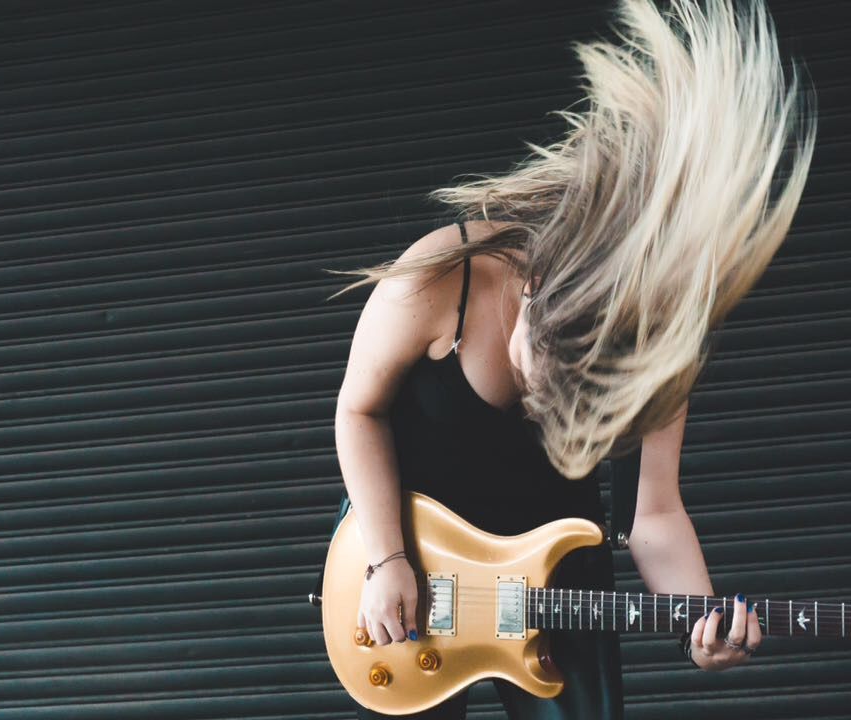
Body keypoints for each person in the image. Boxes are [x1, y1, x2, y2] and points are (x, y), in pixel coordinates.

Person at [328, 0, 816, 717]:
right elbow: (357, 409)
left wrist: (700, 624)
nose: (545, 414)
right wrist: (386, 557)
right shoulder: (442, 278)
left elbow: (654, 513)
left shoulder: (655, 348)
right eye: (543, 385)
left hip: (557, 569)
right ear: (535, 292)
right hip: (410, 550)